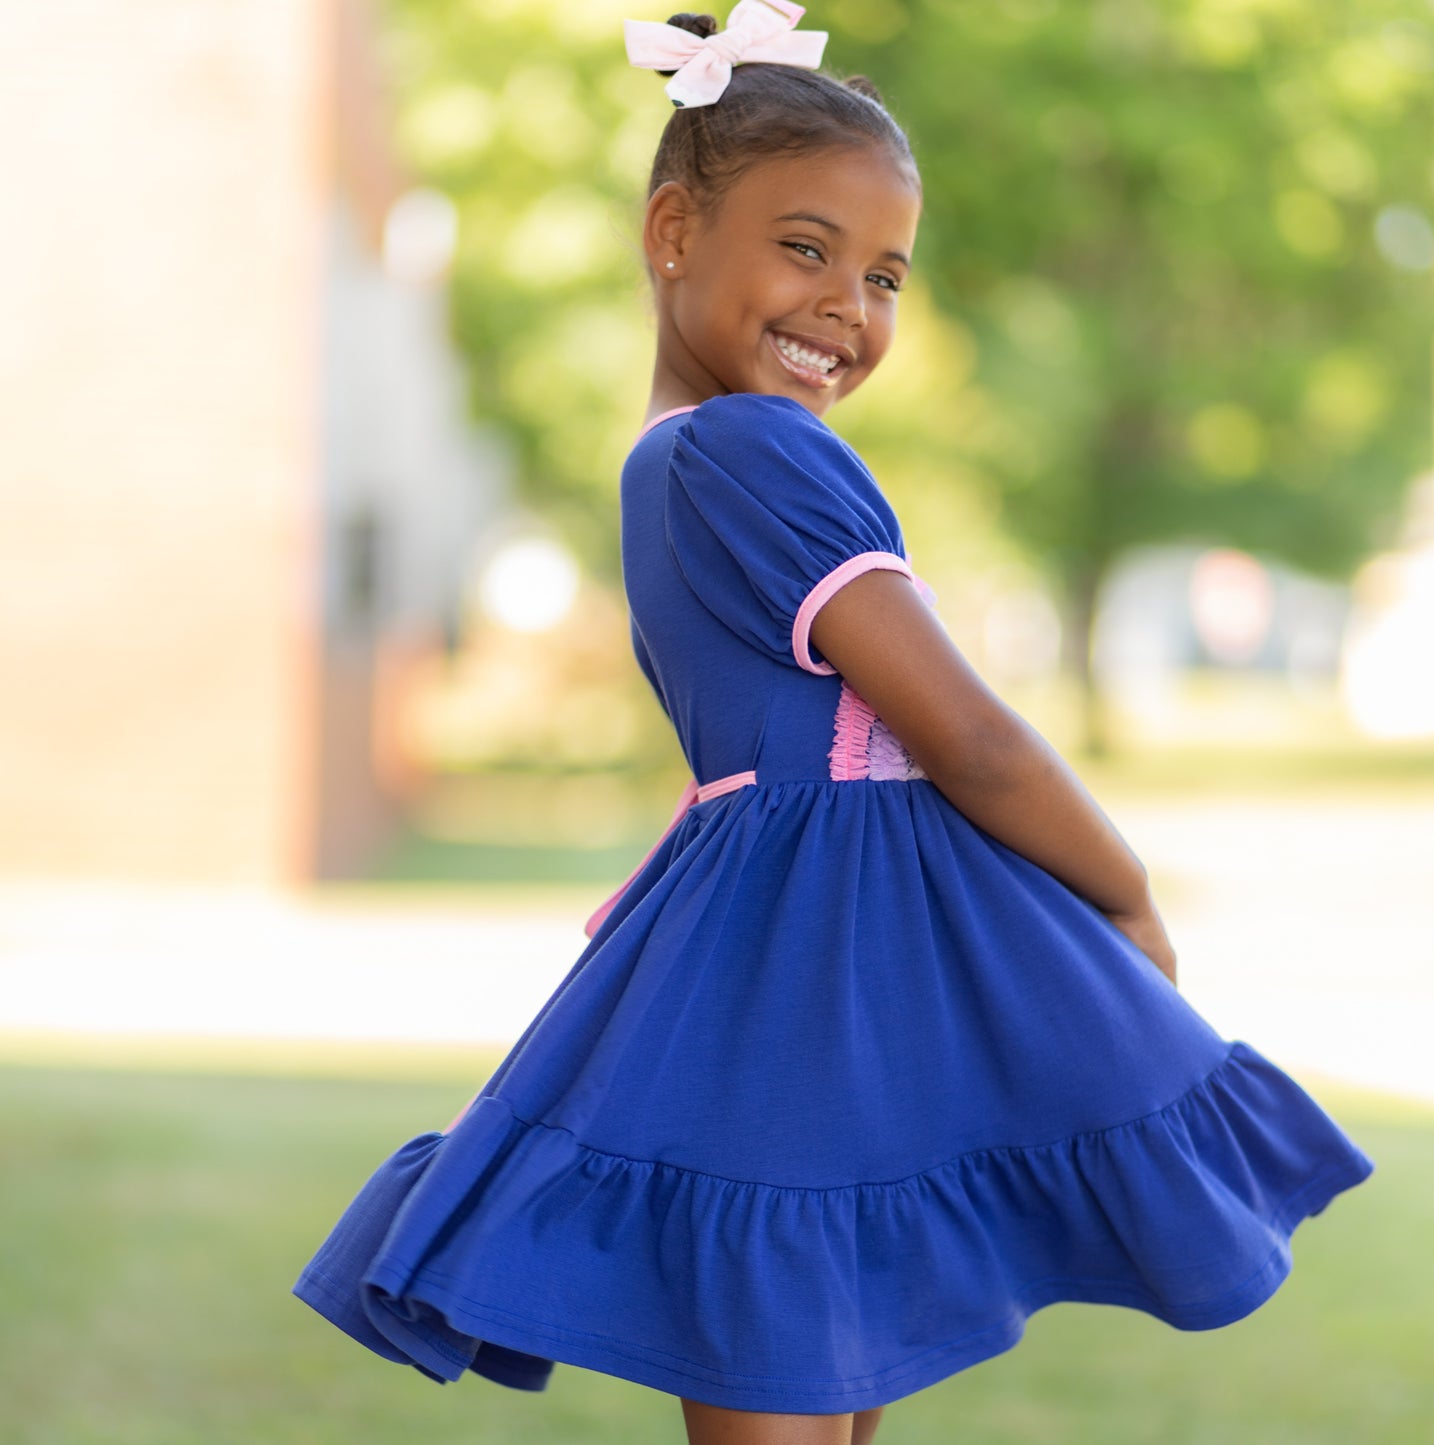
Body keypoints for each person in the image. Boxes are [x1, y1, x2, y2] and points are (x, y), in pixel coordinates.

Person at [292, 6, 1375, 1442]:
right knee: (788, 1341)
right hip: (809, 967)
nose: (845, 308)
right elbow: (971, 737)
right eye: (804, 249)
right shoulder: (751, 454)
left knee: (816, 1344)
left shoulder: (679, 458)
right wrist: (1121, 894)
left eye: (883, 275)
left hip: (825, 960)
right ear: (672, 230)